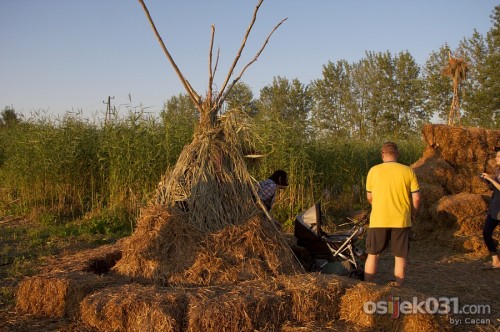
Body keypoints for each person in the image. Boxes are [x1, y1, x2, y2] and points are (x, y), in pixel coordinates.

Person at [364, 142, 421, 287]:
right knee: (400, 256)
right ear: (397, 154)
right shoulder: (408, 171)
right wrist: (412, 215)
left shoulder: (373, 171)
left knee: (373, 254)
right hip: (401, 220)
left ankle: (368, 286)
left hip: (378, 219)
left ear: (382, 154)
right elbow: (416, 198)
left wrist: (378, 206)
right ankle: (399, 287)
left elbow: (369, 197)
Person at [480, 147, 500, 270]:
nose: (496, 158)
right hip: (495, 207)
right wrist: (487, 181)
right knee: (486, 232)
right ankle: (496, 261)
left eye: (498, 156)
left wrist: (490, 178)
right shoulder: (498, 170)